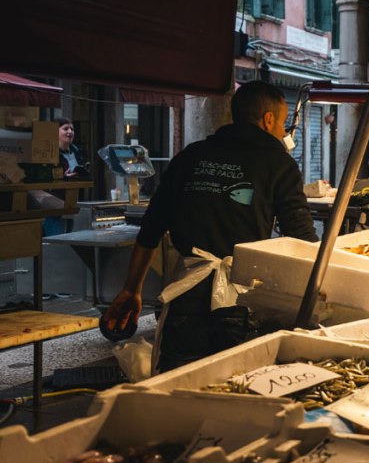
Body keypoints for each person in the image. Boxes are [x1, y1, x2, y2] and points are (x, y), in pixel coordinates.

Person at [101, 81, 318, 371]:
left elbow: (150, 229)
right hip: (241, 303)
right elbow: (302, 240)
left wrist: (131, 289)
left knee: (176, 387)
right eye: (282, 123)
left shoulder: (191, 155)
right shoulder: (279, 164)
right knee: (234, 388)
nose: (283, 131)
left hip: (184, 296)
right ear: (268, 120)